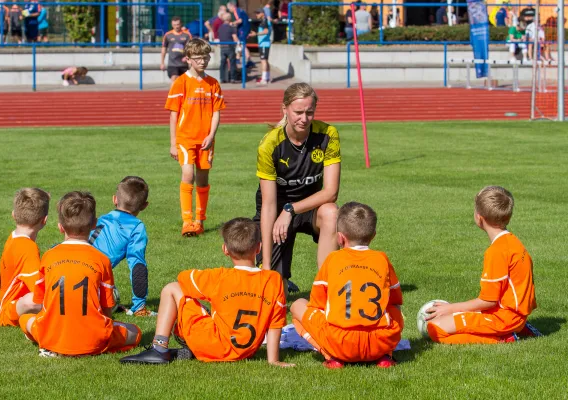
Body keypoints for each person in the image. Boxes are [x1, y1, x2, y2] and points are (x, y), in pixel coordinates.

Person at [119, 217, 294, 367]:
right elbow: (275, 323)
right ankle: (191, 345)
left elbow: (183, 278)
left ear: (225, 250)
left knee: (171, 288)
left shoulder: (219, 277)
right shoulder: (274, 280)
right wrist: (273, 360)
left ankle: (159, 348)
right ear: (259, 248)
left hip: (214, 343)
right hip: (245, 352)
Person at [19, 191, 142, 357]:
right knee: (135, 332)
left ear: (60, 226)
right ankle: (85, 342)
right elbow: (107, 311)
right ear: (94, 225)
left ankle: (50, 345)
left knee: (25, 319)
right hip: (94, 339)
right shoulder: (102, 260)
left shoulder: (48, 257)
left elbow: (41, 303)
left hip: (51, 336)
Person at [291, 202, 403, 369]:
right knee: (393, 309)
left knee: (297, 306)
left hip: (340, 342)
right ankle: (386, 355)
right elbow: (395, 300)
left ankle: (331, 355)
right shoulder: (382, 259)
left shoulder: (332, 260)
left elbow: (317, 304)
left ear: (340, 237)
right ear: (373, 236)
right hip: (378, 342)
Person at [254, 83, 340, 295]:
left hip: (309, 208)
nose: (304, 118)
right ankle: (276, 276)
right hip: (276, 213)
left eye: (310, 112)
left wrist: (291, 209)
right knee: (275, 292)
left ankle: (326, 288)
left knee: (332, 212)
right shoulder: (269, 145)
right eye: (298, 112)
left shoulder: (328, 134)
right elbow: (268, 204)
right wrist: (267, 265)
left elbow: (331, 192)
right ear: (285, 109)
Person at [425, 186, 537, 345]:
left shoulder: (496, 252)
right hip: (514, 314)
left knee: (435, 328)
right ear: (508, 217)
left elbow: (488, 301)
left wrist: (451, 308)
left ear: (479, 217)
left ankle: (504, 338)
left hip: (503, 318)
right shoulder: (514, 242)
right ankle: (517, 328)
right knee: (448, 319)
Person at [165, 39, 226, 237]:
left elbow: (217, 113)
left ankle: (200, 221)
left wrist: (211, 135)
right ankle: (187, 221)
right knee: (188, 175)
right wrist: (173, 143)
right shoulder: (180, 82)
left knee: (202, 179)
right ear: (189, 59)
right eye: (198, 58)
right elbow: (174, 114)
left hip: (206, 140)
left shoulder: (213, 83)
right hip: (185, 139)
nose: (203, 61)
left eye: (206, 57)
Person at [88, 176, 155, 317]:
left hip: (69, 272)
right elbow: (138, 268)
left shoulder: (101, 219)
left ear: (115, 199)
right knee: (108, 293)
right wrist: (139, 305)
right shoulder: (136, 228)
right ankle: (138, 309)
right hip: (90, 279)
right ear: (144, 206)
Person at [0, 188, 49, 327]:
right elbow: (39, 291)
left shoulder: (14, 237)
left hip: (9, 305)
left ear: (14, 215)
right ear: (44, 220)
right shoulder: (27, 248)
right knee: (35, 300)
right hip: (9, 312)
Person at [161, 16, 192, 83]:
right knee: (174, 78)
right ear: (172, 25)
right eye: (174, 25)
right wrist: (162, 63)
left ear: (181, 24)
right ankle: (172, 93)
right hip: (172, 64)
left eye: (178, 24)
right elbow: (164, 49)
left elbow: (190, 49)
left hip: (183, 64)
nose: (176, 26)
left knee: (184, 82)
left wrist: (187, 57)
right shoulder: (168, 35)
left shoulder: (187, 35)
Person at [248, 8, 271, 84]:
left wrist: (256, 34)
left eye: (258, 13)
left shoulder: (264, 21)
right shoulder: (264, 21)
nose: (256, 15)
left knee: (263, 61)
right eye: (256, 13)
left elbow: (266, 31)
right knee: (265, 61)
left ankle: (264, 79)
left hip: (264, 44)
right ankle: (267, 77)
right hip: (264, 44)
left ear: (262, 13)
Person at [227, 1, 251, 67]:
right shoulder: (239, 10)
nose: (229, 10)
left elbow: (240, 20)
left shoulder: (237, 11)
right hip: (243, 29)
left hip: (243, 29)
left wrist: (232, 23)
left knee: (242, 44)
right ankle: (238, 58)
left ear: (232, 6)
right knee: (239, 44)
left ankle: (249, 60)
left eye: (229, 8)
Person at [218, 13, 239, 84]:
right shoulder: (231, 28)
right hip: (230, 46)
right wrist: (238, 45)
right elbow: (235, 38)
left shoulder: (220, 28)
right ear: (229, 19)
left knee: (222, 63)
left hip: (222, 47)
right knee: (232, 62)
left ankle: (222, 78)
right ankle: (233, 78)